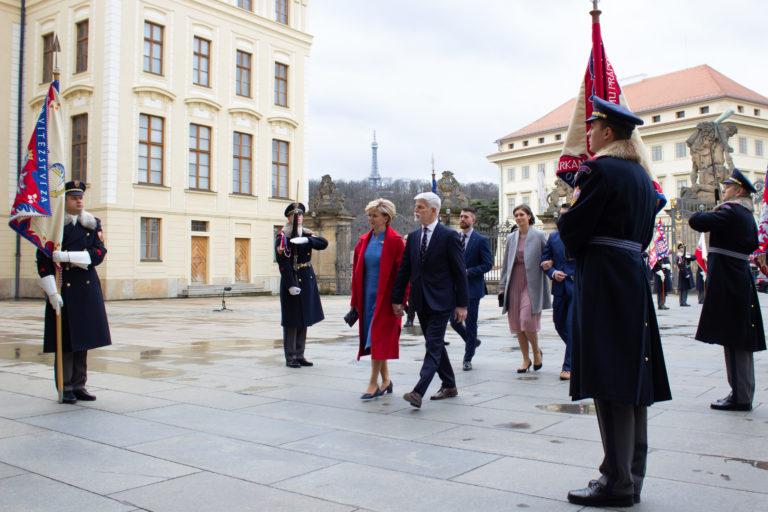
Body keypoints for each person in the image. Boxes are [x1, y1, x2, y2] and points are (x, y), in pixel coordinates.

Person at [559, 97, 671, 507]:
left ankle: (615, 482)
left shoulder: (597, 169)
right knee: (631, 380)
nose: (587, 134)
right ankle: (629, 476)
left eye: (593, 127)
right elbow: (641, 237)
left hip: (605, 279)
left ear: (608, 132)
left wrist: (565, 212)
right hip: (631, 276)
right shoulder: (643, 177)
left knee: (610, 379)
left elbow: (573, 228)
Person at [689, 168, 766, 411]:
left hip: (730, 282)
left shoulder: (731, 212)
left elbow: (696, 221)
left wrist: (714, 211)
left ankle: (740, 396)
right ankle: (741, 392)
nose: (724, 190)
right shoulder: (745, 215)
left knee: (734, 339)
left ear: (739, 190)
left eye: (728, 187)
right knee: (737, 339)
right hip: (737, 278)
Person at [36, 181, 112, 404]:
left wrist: (69, 257)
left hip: (86, 288)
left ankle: (79, 385)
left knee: (83, 340)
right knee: (66, 342)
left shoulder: (91, 224)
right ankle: (65, 386)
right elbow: (42, 261)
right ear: (65, 201)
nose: (79, 201)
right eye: (73, 198)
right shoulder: (54, 227)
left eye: (81, 197)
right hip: (63, 287)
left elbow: (98, 253)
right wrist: (51, 292)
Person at [391, 192, 468, 408]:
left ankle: (418, 390)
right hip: (420, 301)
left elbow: (459, 273)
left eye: (421, 207)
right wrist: (398, 299)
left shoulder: (449, 236)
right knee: (433, 344)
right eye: (416, 206)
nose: (416, 210)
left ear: (434, 210)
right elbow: (404, 270)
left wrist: (462, 304)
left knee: (433, 344)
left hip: (442, 301)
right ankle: (450, 384)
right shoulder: (414, 237)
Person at [350, 199, 406, 399]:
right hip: (367, 299)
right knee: (375, 340)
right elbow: (356, 272)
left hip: (386, 301)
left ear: (386, 218)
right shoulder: (364, 240)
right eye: (369, 215)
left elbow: (403, 274)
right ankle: (387, 381)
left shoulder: (396, 241)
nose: (370, 219)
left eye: (374, 215)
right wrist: (354, 301)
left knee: (378, 338)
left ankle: (373, 383)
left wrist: (401, 301)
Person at [498, 204, 551, 373]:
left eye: (522, 214)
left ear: (529, 216)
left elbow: (550, 254)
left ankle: (536, 352)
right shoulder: (512, 237)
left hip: (532, 282)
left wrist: (551, 263)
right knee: (516, 323)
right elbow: (506, 264)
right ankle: (525, 358)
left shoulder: (539, 235)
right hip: (514, 281)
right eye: (516, 215)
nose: (518, 217)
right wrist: (501, 286)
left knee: (526, 319)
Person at [274, 202, 328, 368]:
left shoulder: (307, 234)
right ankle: (290, 356)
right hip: (292, 278)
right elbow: (283, 262)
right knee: (292, 320)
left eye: (300, 215)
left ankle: (300, 354)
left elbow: (323, 243)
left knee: (304, 318)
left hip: (306, 279)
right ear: (289, 218)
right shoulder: (283, 237)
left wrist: (307, 240)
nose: (298, 218)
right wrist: (290, 284)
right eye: (294, 216)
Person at [450, 207, 492, 371]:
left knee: (471, 322)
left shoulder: (480, 240)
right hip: (454, 288)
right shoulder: (454, 238)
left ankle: (468, 358)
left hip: (472, 288)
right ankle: (471, 341)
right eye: (461, 216)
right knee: (453, 321)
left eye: (466, 217)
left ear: (473, 220)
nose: (462, 219)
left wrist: (468, 272)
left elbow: (487, 264)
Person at [540, 203, 575, 380]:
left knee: (570, 325)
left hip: (577, 288)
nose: (562, 219)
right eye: (560, 215)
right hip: (560, 289)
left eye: (566, 215)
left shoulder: (583, 236)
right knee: (559, 324)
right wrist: (552, 271)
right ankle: (580, 350)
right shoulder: (553, 237)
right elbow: (544, 261)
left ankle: (568, 366)